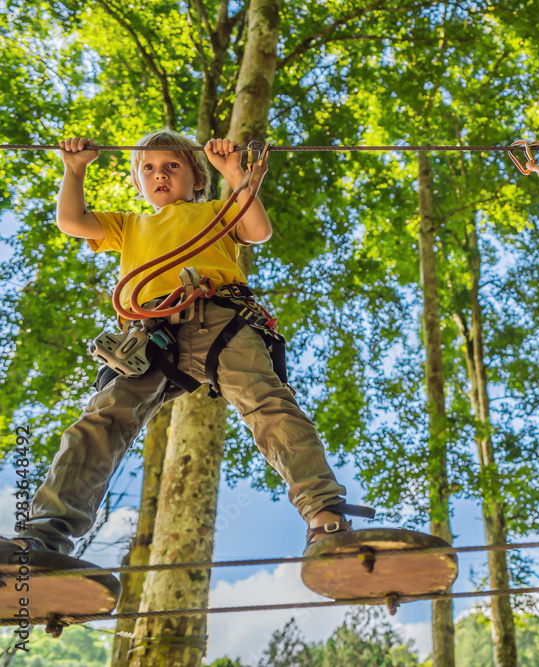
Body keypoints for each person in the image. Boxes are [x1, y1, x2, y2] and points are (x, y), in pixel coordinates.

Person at [4, 130, 363, 569]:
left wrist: (235, 175)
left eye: (172, 165)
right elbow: (72, 220)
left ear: (197, 179)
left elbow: (257, 229)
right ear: (138, 182)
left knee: (270, 405)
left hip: (221, 318)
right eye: (149, 168)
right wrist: (73, 169)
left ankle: (326, 518)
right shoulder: (129, 224)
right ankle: (44, 538)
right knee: (102, 420)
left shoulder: (217, 211)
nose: (159, 174)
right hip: (150, 334)